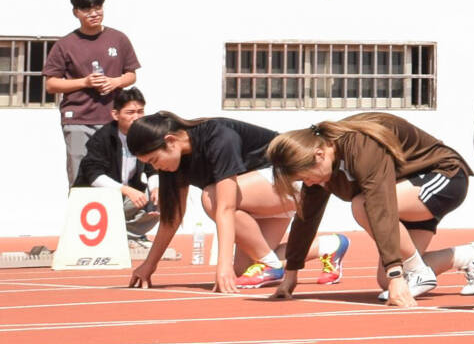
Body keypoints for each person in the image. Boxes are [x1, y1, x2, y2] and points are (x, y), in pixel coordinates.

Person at [266, 114, 474, 302]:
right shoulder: (321, 167)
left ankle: (418, 271)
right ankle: (470, 255)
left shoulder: (360, 145)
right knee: (385, 280)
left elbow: (379, 204)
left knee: (363, 205)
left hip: (444, 178)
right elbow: (306, 217)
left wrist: (396, 274)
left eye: (306, 177)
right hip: (403, 194)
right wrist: (291, 273)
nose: (308, 183)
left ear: (319, 155)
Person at [126, 112, 337, 293]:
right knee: (243, 270)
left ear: (171, 140)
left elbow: (225, 206)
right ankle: (328, 246)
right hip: (260, 201)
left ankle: (270, 265)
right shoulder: (173, 164)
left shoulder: (219, 137)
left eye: (154, 161)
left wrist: (222, 264)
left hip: (293, 180)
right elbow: (172, 218)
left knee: (212, 197)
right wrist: (149, 265)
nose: (157, 168)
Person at [42, 0, 140, 185]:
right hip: (77, 119)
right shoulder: (65, 44)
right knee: (80, 175)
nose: (94, 14)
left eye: (98, 8)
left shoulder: (119, 39)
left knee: (112, 176)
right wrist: (85, 82)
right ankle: (79, 206)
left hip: (113, 119)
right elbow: (51, 84)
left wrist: (115, 81)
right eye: (87, 9)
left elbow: (131, 75)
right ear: (76, 12)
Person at [74, 88, 160, 246]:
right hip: (97, 201)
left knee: (165, 198)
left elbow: (153, 168)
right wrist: (126, 190)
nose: (136, 117)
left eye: (140, 112)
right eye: (130, 112)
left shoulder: (145, 137)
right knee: (134, 198)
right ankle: (116, 235)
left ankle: (125, 235)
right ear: (115, 115)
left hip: (125, 199)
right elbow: (93, 176)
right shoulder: (102, 138)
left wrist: (155, 188)